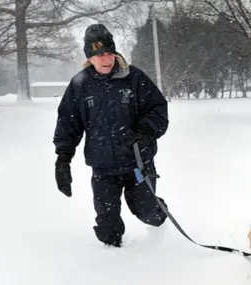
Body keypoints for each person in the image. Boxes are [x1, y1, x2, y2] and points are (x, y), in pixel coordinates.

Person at [53, 23, 169, 247]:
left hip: (137, 163)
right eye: (100, 55)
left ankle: (160, 217)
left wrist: (145, 131)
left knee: (147, 213)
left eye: (109, 53)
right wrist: (63, 160)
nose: (106, 59)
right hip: (103, 168)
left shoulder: (134, 78)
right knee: (107, 230)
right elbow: (68, 123)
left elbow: (158, 109)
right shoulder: (80, 85)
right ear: (90, 57)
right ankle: (112, 268)